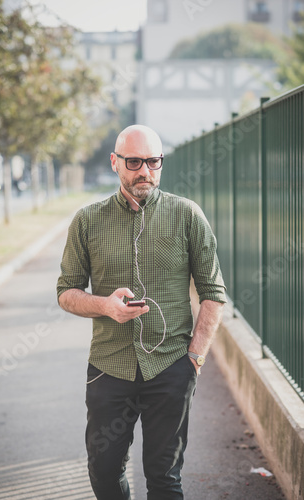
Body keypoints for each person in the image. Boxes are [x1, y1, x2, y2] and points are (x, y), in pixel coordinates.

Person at [57, 124, 227, 500]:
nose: (144, 171)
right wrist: (104, 306)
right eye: (134, 161)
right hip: (109, 366)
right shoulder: (87, 221)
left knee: (165, 479)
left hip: (170, 368)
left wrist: (194, 359)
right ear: (115, 162)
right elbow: (65, 292)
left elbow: (214, 293)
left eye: (153, 161)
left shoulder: (187, 216)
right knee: (103, 473)